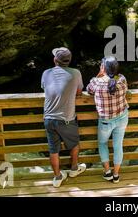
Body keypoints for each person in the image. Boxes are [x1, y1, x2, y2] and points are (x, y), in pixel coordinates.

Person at [41, 47, 87, 188]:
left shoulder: (46, 73)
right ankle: (73, 169)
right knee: (74, 144)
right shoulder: (75, 73)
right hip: (67, 119)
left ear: (55, 60)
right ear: (69, 60)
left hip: (48, 118)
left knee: (53, 149)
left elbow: (45, 88)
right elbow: (79, 91)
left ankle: (57, 177)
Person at [87, 56, 128, 183]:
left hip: (105, 120)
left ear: (103, 68)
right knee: (117, 145)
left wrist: (99, 74)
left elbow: (89, 90)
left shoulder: (96, 82)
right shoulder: (121, 79)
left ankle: (107, 172)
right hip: (122, 117)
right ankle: (116, 175)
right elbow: (115, 80)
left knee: (103, 144)